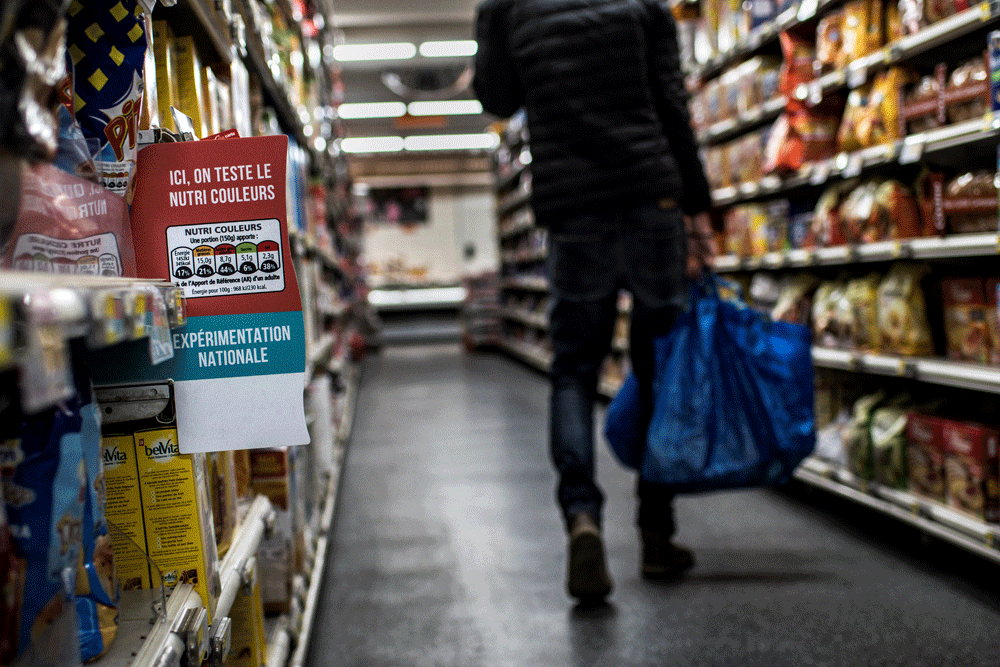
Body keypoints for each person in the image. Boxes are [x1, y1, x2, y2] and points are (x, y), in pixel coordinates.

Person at [472, 0, 716, 602]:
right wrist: (698, 203)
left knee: (574, 374)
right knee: (658, 370)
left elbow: (496, 98)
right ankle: (656, 536)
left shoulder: (513, 8)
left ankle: (582, 516)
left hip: (573, 208)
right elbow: (670, 100)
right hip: (650, 198)